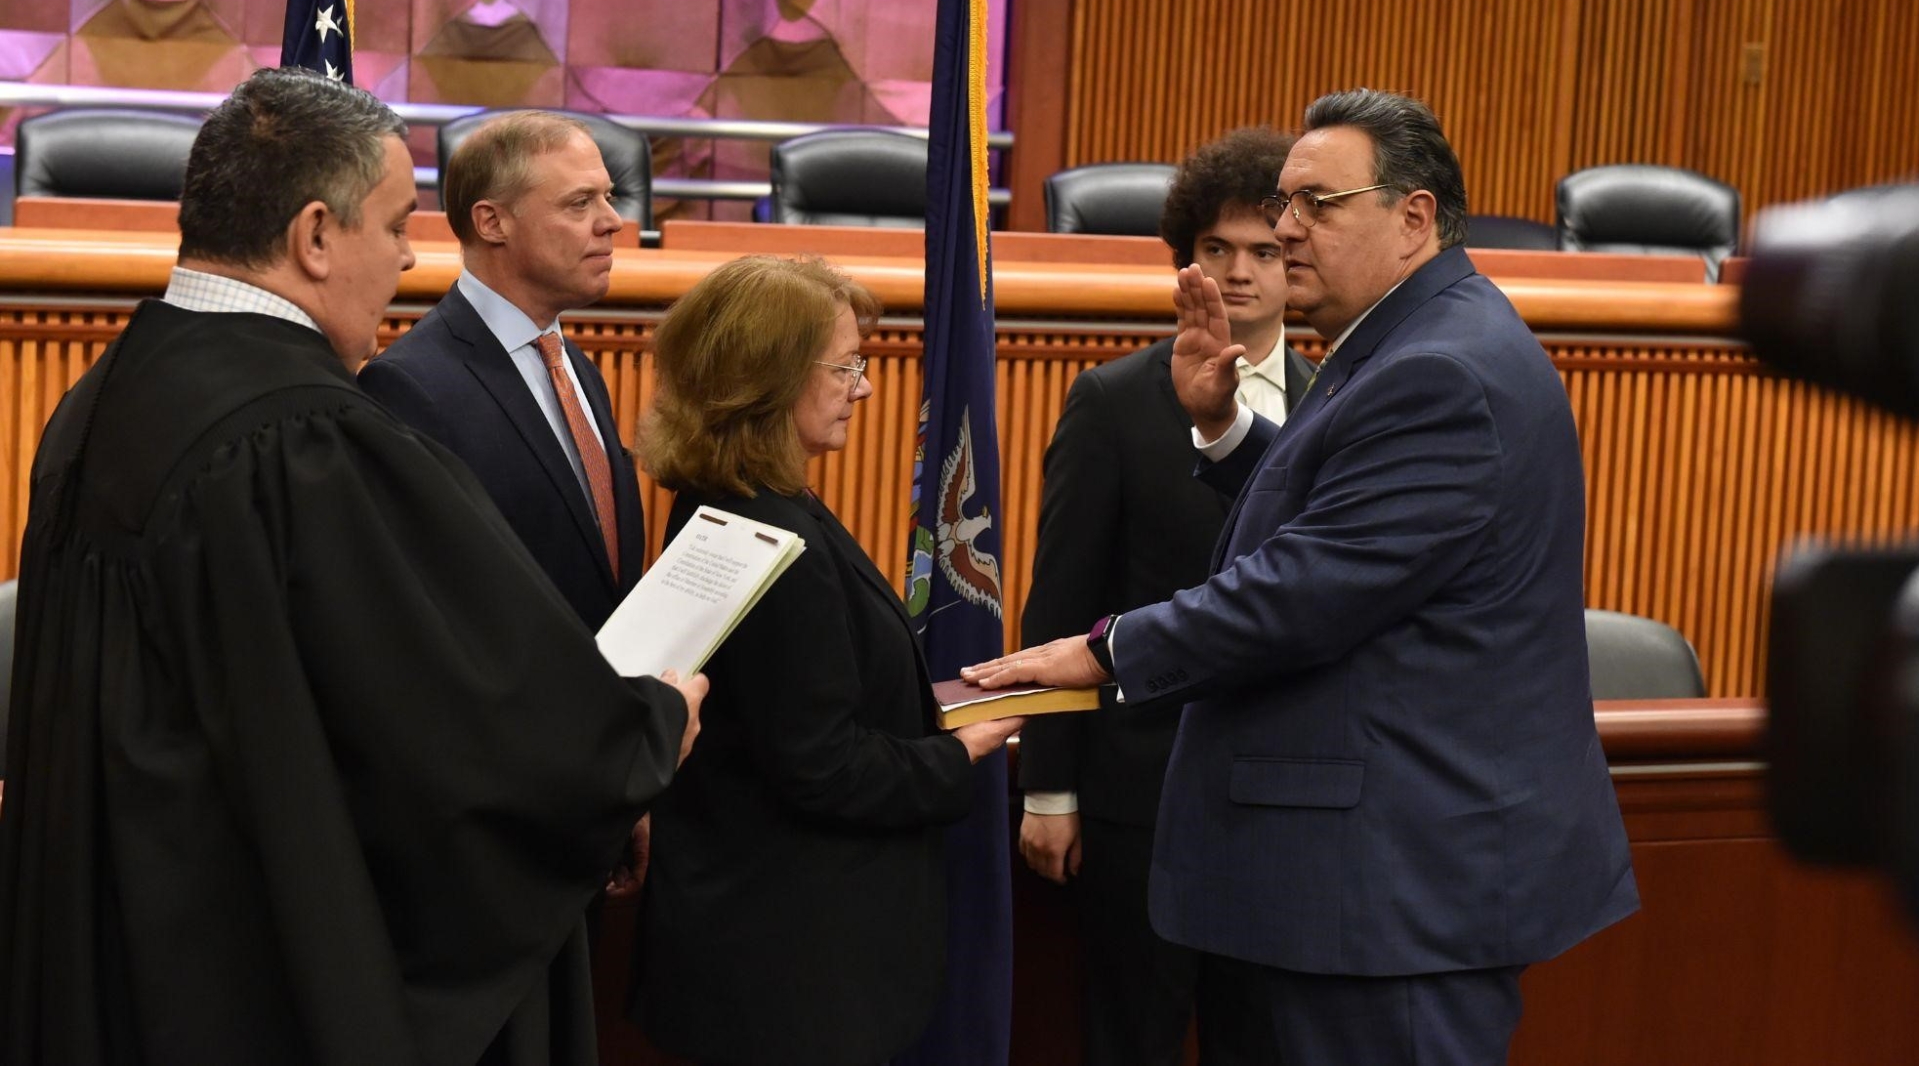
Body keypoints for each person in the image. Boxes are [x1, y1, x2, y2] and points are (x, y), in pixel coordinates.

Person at [0, 68, 704, 1066]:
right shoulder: (306, 439)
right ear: (316, 236)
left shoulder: (102, 396)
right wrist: (647, 724)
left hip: (113, 955)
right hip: (243, 980)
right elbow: (457, 727)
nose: (409, 257)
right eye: (396, 225)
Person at [967, 89, 1637, 1065]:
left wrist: (1105, 649)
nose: (1284, 230)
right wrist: (1224, 431)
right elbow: (1344, 522)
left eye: (1316, 204)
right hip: (1373, 881)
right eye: (1285, 202)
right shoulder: (1413, 340)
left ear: (1412, 217)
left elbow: (1306, 588)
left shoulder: (1439, 370)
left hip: (1394, 890)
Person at [626, 255, 1020, 1066]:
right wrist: (957, 753)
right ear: (767, 379)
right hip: (791, 976)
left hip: (756, 951)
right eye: (845, 367)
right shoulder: (776, 539)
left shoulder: (728, 501)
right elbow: (821, 765)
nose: (864, 388)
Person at [1015, 126, 1312, 1066]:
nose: (1239, 272)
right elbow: (1060, 602)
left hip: (1284, 803)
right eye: (1216, 248)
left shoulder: (1340, 401)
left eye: (1263, 250)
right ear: (1186, 258)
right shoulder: (1111, 400)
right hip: (1141, 796)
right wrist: (1049, 788)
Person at [360, 111, 643, 635]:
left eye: (607, 197)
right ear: (492, 222)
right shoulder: (408, 387)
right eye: (580, 202)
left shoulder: (578, 368)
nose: (612, 221)